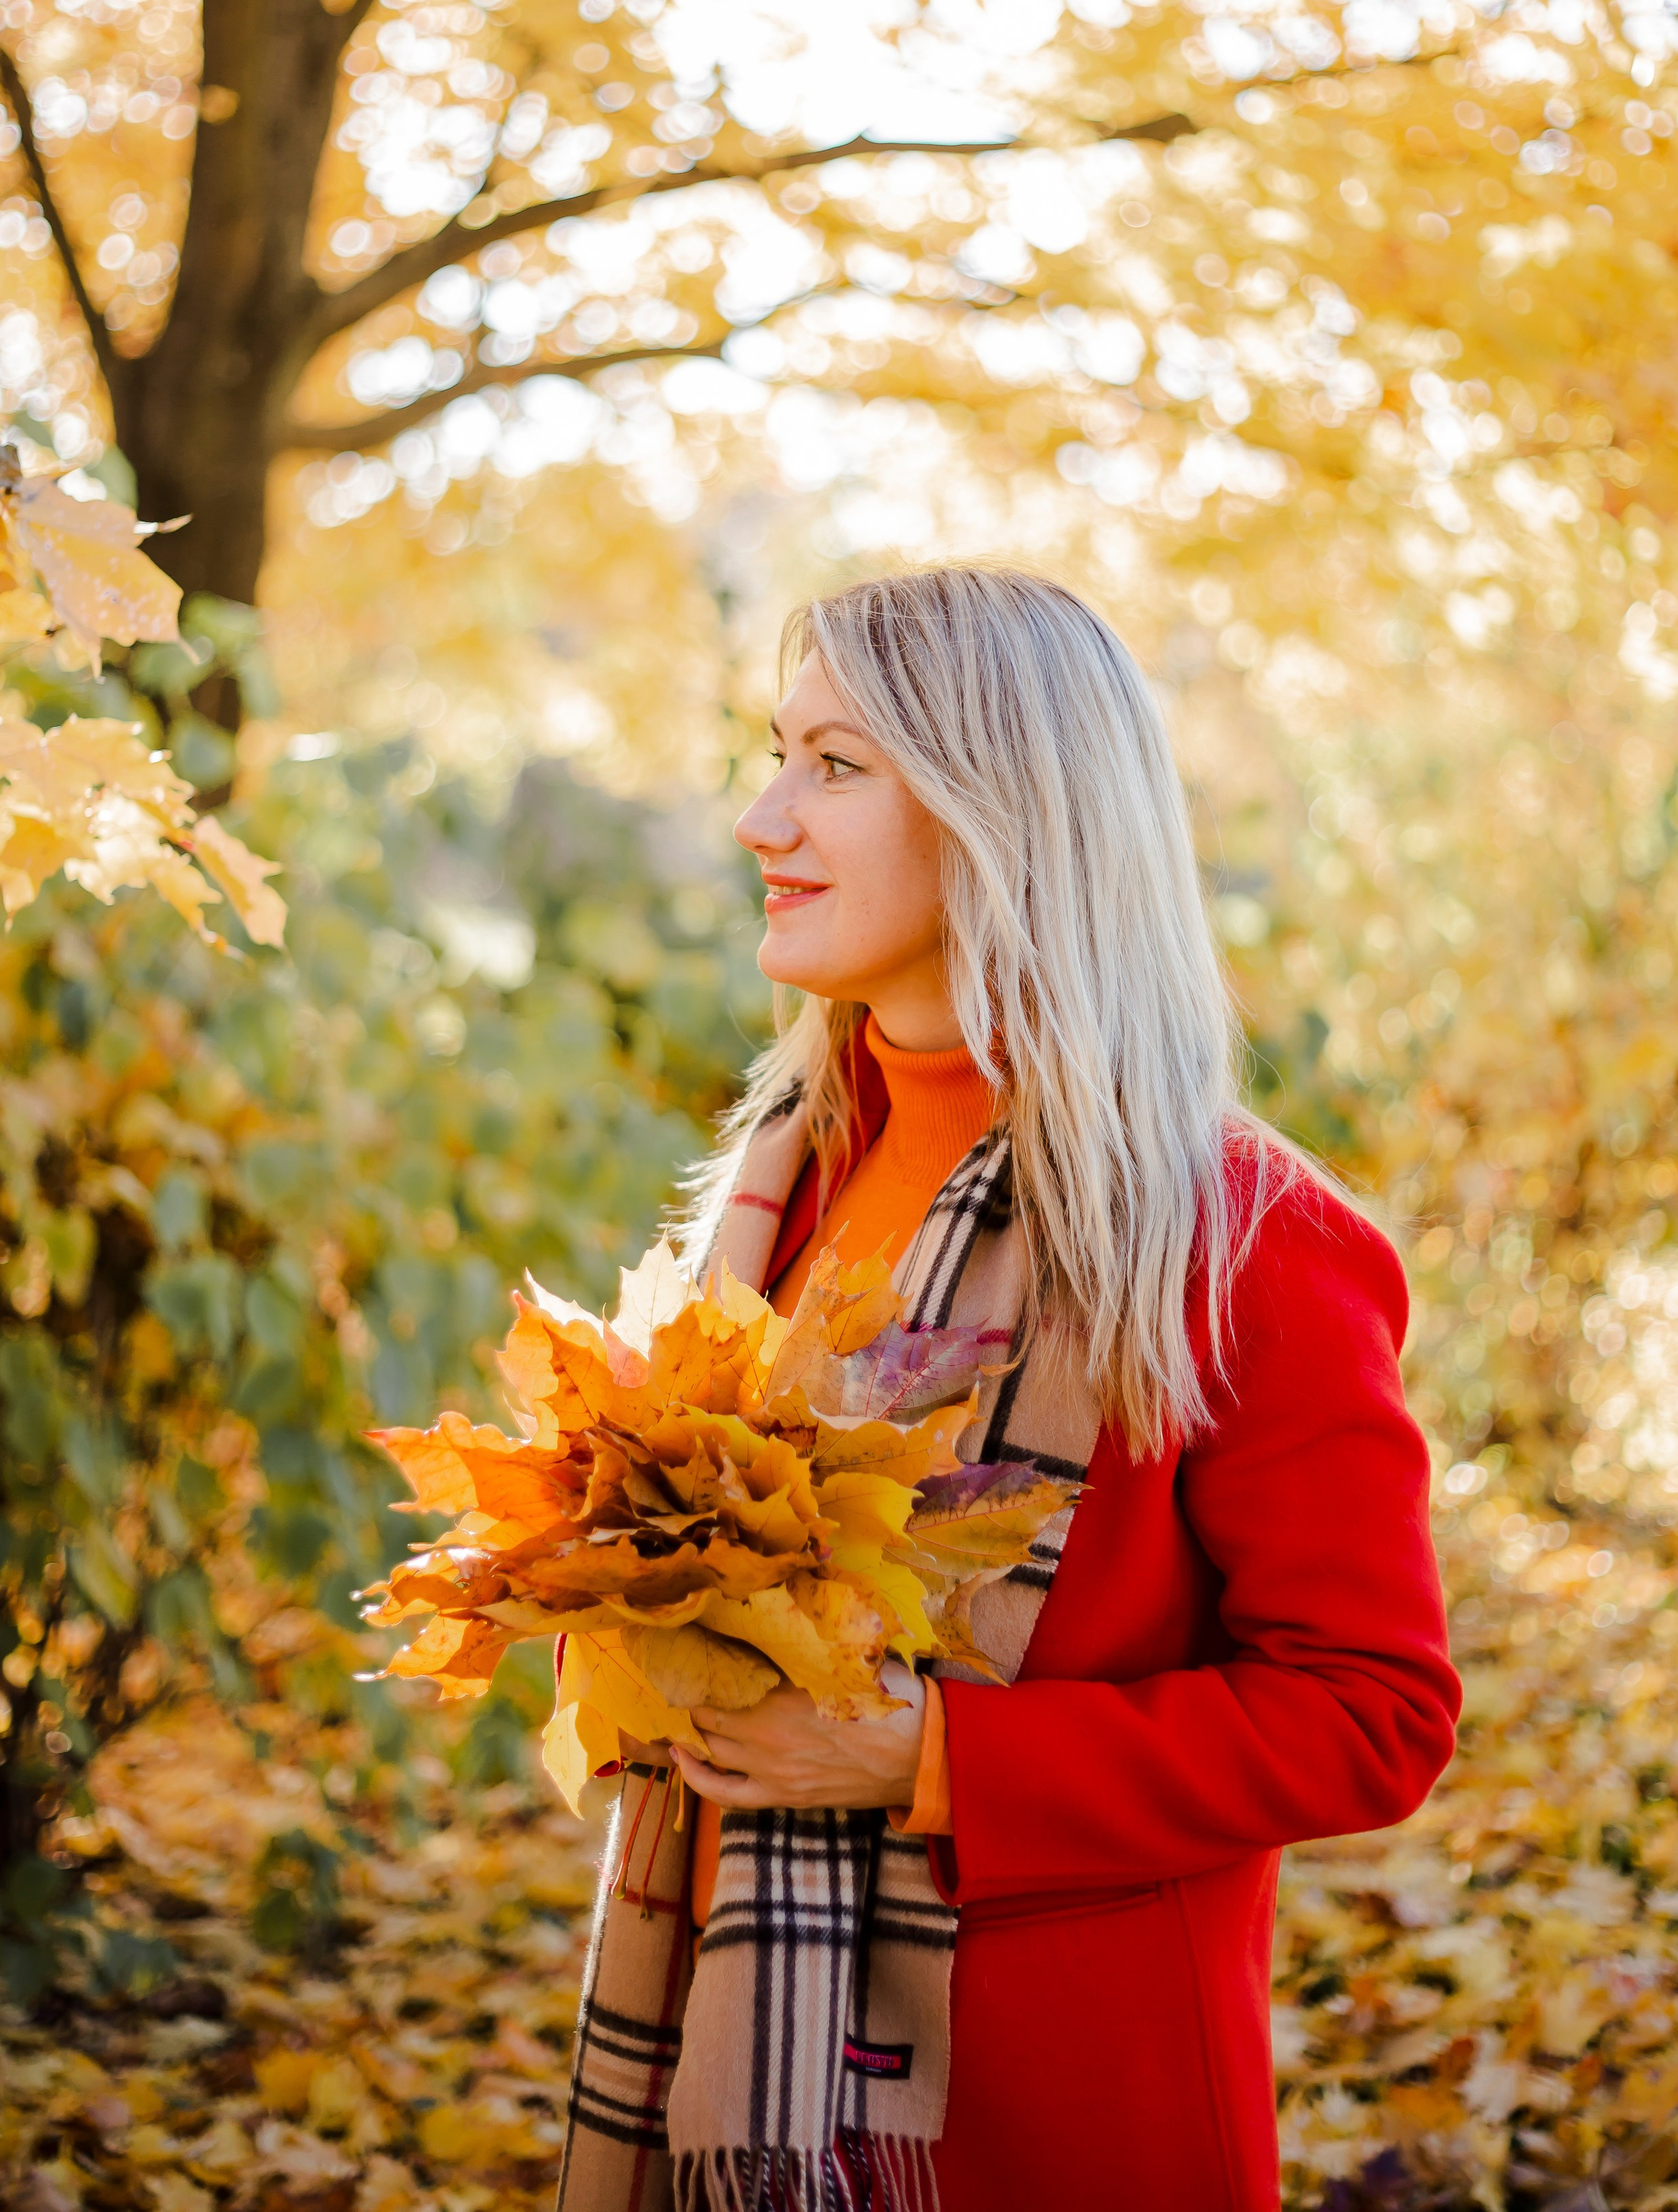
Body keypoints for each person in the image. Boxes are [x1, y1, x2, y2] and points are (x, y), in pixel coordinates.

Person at [559, 566, 1459, 2212]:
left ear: (998, 807)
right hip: (725, 2057)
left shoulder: (1238, 1240)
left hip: (1051, 2116)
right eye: (774, 756)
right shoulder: (778, 1183)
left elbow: (1371, 1714)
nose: (764, 816)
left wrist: (931, 1757)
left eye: (834, 765)